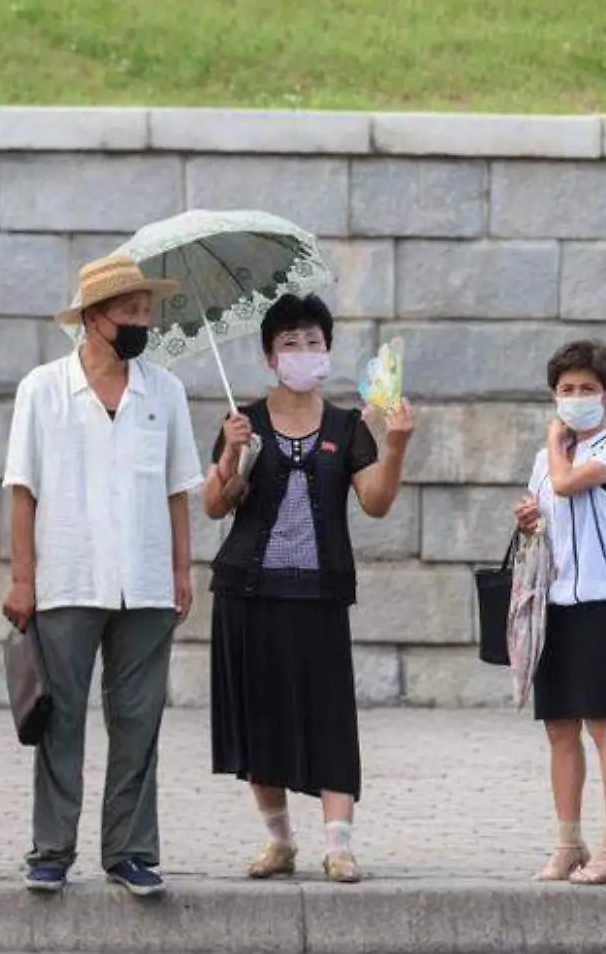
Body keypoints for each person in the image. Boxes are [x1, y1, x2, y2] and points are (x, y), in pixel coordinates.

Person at [1, 254, 204, 898]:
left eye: (146, 311)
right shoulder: (42, 389)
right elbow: (22, 491)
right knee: (59, 719)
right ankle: (53, 850)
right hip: (66, 577)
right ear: (93, 318)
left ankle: (131, 851)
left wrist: (181, 568)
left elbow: (177, 489)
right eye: (129, 312)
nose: (141, 323)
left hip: (144, 579)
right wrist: (22, 580)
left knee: (139, 720)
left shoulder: (164, 391)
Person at [201, 295, 414, 884]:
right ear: (271, 357)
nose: (303, 353)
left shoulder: (347, 428)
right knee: (259, 714)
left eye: (313, 342)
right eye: (290, 344)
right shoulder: (242, 421)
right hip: (248, 589)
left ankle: (339, 845)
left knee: (329, 714)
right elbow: (216, 504)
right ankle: (278, 841)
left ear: (327, 350)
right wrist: (233, 456)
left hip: (318, 593)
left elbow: (375, 502)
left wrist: (394, 445)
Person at [510, 340, 606, 885]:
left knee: (603, 723)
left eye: (586, 389)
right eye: (566, 390)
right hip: (555, 601)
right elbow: (546, 510)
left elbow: (569, 485)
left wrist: (553, 441)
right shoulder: (546, 459)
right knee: (559, 727)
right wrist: (526, 516)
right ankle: (569, 841)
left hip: (604, 600)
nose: (575, 399)